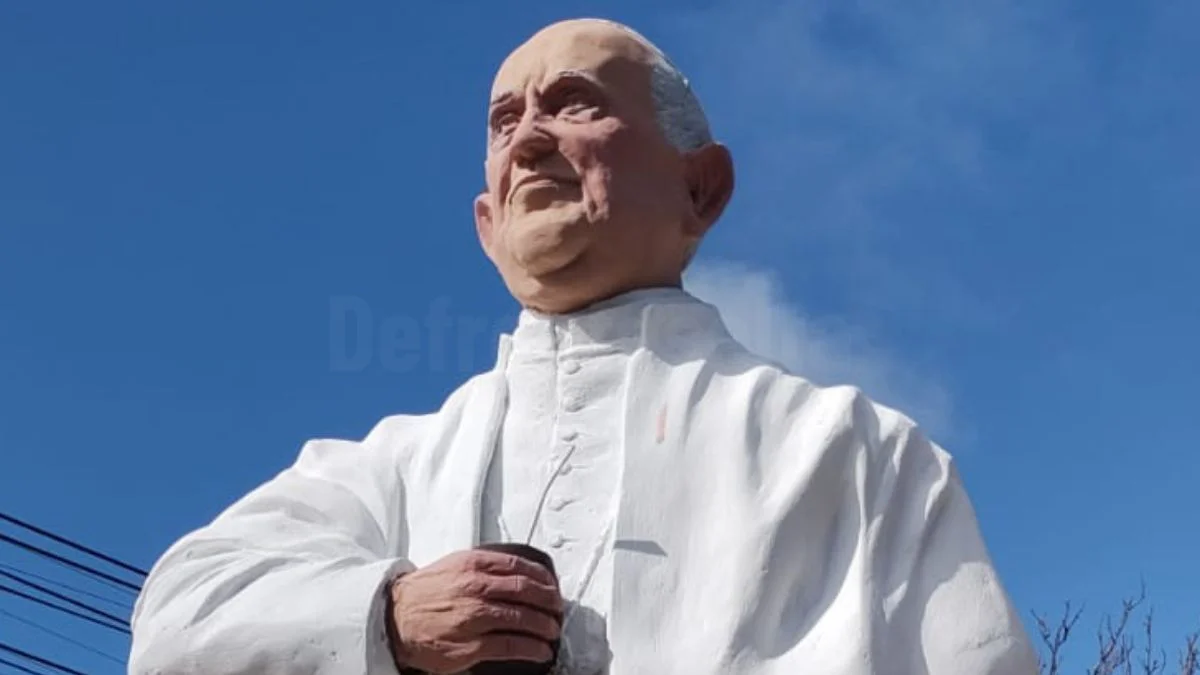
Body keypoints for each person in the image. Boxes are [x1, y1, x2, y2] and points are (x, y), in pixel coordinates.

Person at [129, 17, 1038, 675]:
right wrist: (386, 615)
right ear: (487, 224)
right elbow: (175, 616)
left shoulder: (857, 457)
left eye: (571, 105)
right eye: (503, 120)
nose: (527, 138)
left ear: (701, 189)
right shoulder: (395, 467)